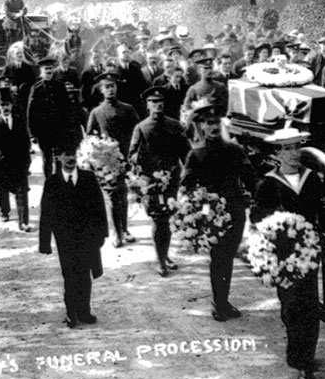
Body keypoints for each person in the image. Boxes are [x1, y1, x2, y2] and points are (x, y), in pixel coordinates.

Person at [251, 128, 323, 379]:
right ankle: (297, 353)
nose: (294, 154)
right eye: (288, 149)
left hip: (309, 249)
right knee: (291, 305)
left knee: (310, 304)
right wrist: (274, 224)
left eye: (297, 147)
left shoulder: (312, 178)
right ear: (277, 154)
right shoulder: (268, 183)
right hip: (283, 253)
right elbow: (257, 218)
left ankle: (306, 361)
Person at [180, 104, 256, 321]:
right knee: (217, 257)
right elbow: (186, 186)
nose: (213, 126)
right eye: (207, 123)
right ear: (201, 126)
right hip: (209, 213)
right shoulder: (196, 155)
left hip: (235, 210)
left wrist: (255, 200)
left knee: (228, 256)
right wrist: (200, 200)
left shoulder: (234, 150)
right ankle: (218, 304)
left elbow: (249, 178)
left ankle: (223, 301)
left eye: (215, 122)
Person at [39, 142, 108, 329]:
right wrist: (44, 241)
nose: (70, 159)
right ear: (58, 158)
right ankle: (71, 312)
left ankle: (84, 310)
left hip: (87, 237)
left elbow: (99, 207)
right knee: (69, 275)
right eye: (65, 155)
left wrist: (102, 233)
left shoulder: (88, 178)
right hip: (65, 238)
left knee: (85, 274)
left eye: (72, 155)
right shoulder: (52, 182)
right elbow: (46, 213)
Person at [128, 87, 190, 276]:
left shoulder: (175, 125)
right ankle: (161, 260)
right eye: (153, 102)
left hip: (171, 178)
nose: (158, 105)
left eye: (160, 101)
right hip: (151, 181)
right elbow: (132, 155)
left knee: (168, 216)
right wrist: (140, 164)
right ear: (147, 105)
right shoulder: (141, 127)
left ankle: (164, 255)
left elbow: (186, 153)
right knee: (158, 218)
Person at [86, 72, 140, 248]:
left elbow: (137, 131)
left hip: (124, 158)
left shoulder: (128, 109)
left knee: (123, 195)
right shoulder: (96, 112)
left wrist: (134, 153)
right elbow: (90, 138)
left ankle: (124, 229)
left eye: (112, 86)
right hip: (106, 163)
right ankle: (115, 233)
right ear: (101, 90)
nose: (110, 89)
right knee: (110, 196)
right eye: (106, 87)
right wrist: (96, 156)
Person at [0, 88, 31, 230]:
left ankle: (24, 220)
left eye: (7, 105)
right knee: (3, 189)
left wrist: (26, 160)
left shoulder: (19, 121)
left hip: (18, 161)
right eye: (2, 105)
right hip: (3, 162)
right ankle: (4, 211)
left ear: (12, 106)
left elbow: (25, 142)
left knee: (22, 191)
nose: (5, 108)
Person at [28, 58, 70, 178]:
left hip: (58, 129)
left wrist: (67, 128)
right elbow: (31, 113)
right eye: (46, 69)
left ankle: (59, 180)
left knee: (59, 157)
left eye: (50, 68)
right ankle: (49, 182)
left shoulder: (60, 86)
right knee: (47, 157)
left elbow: (66, 109)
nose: (49, 71)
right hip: (43, 130)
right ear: (41, 71)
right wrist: (32, 134)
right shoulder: (36, 88)